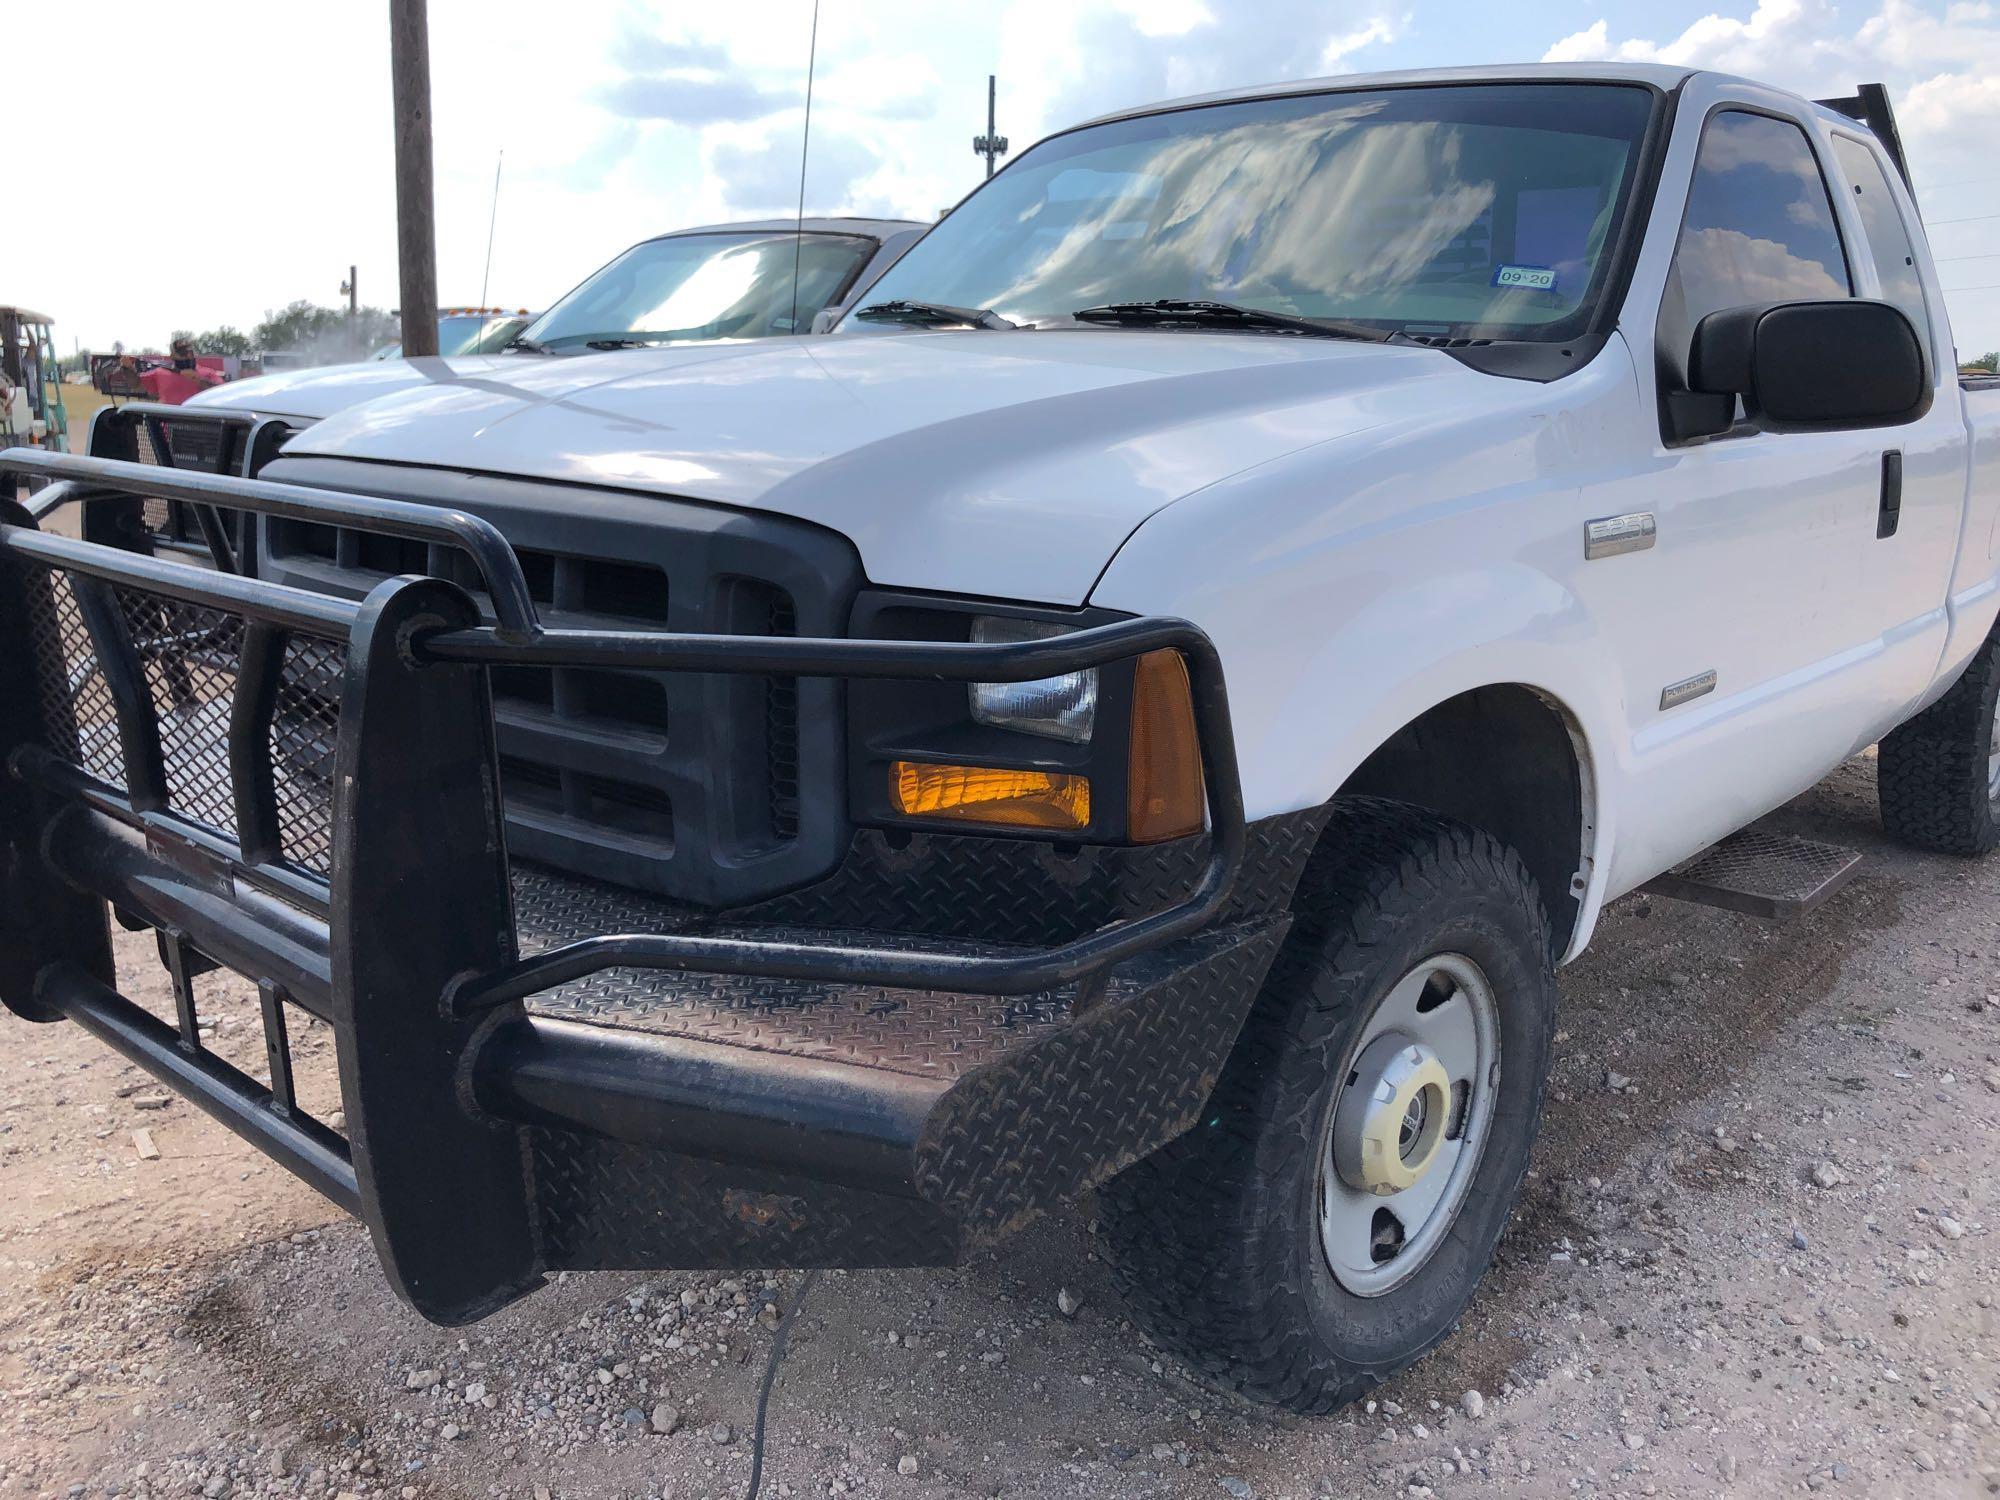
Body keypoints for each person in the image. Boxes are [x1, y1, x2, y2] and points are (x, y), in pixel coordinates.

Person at [136, 338, 224, 405]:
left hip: (199, 423)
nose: (188, 356)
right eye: (183, 353)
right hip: (168, 423)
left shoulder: (208, 372)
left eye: (190, 352)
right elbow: (136, 384)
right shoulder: (160, 372)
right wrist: (128, 368)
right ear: (172, 356)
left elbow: (223, 391)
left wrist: (199, 381)